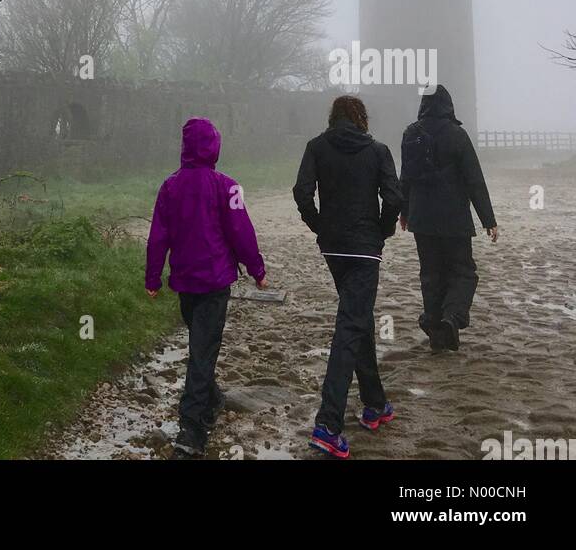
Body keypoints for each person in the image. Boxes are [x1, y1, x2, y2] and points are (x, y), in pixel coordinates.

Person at [145, 116, 267, 459]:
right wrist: (256, 268)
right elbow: (241, 232)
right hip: (213, 282)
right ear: (214, 146)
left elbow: (158, 238)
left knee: (201, 347)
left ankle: (206, 405)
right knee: (202, 350)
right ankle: (192, 429)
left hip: (187, 282)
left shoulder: (170, 186)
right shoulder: (227, 186)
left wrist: (153, 277)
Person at [293, 94, 402, 460]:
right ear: (361, 118)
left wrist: (319, 227)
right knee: (350, 325)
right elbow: (394, 197)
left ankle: (375, 403)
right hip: (364, 248)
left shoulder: (316, 147)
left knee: (358, 320)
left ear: (333, 117)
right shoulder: (378, 150)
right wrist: (382, 231)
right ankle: (328, 424)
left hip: (335, 248)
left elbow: (301, 192)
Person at [399, 83, 497, 353]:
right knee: (463, 272)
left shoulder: (410, 134)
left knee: (430, 274)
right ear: (448, 105)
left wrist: (404, 212)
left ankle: (435, 327)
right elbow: (474, 179)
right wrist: (488, 219)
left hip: (422, 219)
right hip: (454, 219)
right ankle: (451, 319)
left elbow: (405, 177)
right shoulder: (457, 135)